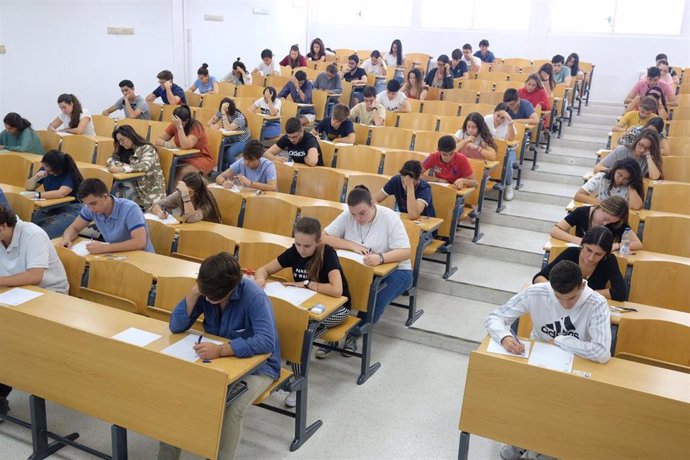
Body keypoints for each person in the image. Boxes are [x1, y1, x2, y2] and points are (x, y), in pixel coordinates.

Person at [157, 252, 280, 460]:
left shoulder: (254, 296)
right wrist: (194, 293)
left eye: (212, 298)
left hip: (258, 367)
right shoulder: (207, 288)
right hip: (216, 363)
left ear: (231, 289)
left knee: (232, 408)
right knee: (179, 395)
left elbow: (267, 341)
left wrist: (222, 350)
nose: (208, 300)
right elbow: (176, 326)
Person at [491, 260, 610, 460]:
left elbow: (601, 352)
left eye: (571, 298)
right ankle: (523, 441)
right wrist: (505, 337)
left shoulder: (596, 303)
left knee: (560, 407)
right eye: (559, 298)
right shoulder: (537, 292)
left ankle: (549, 448)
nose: (565, 304)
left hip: (577, 363)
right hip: (541, 358)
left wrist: (561, 341)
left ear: (582, 285)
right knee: (528, 398)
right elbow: (495, 317)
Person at [254, 216, 351, 405]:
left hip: (338, 309)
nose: (301, 250)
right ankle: (280, 368)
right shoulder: (294, 251)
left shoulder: (327, 253)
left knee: (300, 336)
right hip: (306, 305)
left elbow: (337, 290)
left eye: (307, 246)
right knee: (287, 327)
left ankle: (297, 386)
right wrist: (260, 280)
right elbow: (263, 269)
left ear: (318, 242)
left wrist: (306, 284)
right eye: (297, 244)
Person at [0, 201, 70, 417]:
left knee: (10, 338)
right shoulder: (3, 236)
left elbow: (34, 276)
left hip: (49, 295)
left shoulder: (33, 234)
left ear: (3, 226)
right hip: (15, 293)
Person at [323, 185, 412, 335]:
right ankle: (332, 327)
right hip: (362, 269)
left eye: (362, 213)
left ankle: (354, 335)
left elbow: (406, 252)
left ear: (372, 204)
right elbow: (323, 237)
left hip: (396, 271)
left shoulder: (389, 217)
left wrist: (381, 258)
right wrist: (351, 245)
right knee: (335, 285)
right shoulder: (349, 215)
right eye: (353, 214)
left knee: (373, 298)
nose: (358, 219)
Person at [62, 178, 154, 253]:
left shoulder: (130, 209)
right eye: (87, 205)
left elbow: (140, 242)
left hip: (140, 257)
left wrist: (105, 248)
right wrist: (67, 239)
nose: (90, 209)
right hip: (116, 256)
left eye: (93, 204)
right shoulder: (90, 207)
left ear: (105, 197)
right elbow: (74, 228)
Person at [535, 226, 625, 301]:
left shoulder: (609, 260)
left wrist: (582, 294)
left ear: (606, 254)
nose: (591, 258)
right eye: (588, 250)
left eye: (598, 254)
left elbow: (620, 293)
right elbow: (538, 278)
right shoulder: (571, 253)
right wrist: (558, 292)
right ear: (582, 245)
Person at [25, 150, 83, 238]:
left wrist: (37, 195)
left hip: (70, 209)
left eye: (48, 167)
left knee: (44, 233)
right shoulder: (45, 170)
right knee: (31, 228)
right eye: (45, 165)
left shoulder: (69, 174)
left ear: (59, 168)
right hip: (50, 207)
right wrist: (35, 177)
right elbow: (29, 187)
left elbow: (61, 193)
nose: (46, 169)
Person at [550, 196, 642, 251]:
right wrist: (578, 240)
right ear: (601, 207)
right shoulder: (581, 212)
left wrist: (617, 245)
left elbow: (637, 243)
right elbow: (555, 231)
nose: (606, 224)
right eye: (606, 218)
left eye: (610, 222)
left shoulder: (615, 222)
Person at [108, 125, 167, 209]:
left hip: (151, 190)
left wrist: (121, 169)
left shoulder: (147, 148)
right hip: (137, 188)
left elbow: (144, 166)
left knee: (125, 189)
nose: (121, 143)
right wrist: (123, 165)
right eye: (119, 141)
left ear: (130, 136)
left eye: (122, 140)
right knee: (123, 187)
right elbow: (110, 161)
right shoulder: (125, 149)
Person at [153, 105, 215, 177]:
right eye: (175, 122)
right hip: (183, 157)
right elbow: (157, 139)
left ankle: (176, 188)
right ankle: (169, 188)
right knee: (166, 167)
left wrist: (180, 127)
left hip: (201, 157)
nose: (176, 125)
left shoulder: (196, 127)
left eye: (181, 123)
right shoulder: (175, 124)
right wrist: (165, 144)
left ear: (187, 121)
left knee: (182, 172)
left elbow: (186, 146)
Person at [149, 171, 221, 223]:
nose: (185, 193)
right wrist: (159, 213)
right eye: (183, 190)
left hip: (207, 234)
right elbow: (156, 205)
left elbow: (191, 218)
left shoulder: (206, 201)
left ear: (197, 192)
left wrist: (186, 196)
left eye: (189, 192)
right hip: (190, 231)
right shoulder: (181, 193)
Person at [576, 158, 644, 210]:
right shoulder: (601, 177)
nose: (620, 180)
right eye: (619, 175)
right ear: (614, 170)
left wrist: (631, 187)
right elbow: (578, 195)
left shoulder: (630, 185)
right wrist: (602, 204)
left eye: (626, 178)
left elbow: (636, 206)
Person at [594, 128, 663, 180]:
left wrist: (648, 155)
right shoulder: (622, 150)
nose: (642, 150)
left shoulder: (650, 158)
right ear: (636, 141)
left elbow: (655, 177)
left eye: (647, 148)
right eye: (640, 145)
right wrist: (616, 173)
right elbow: (597, 168)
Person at [484, 103, 517, 199]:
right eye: (497, 116)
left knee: (508, 163)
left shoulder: (508, 123)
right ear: (494, 112)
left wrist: (509, 120)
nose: (499, 119)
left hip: (507, 150)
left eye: (502, 118)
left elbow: (511, 138)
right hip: (488, 148)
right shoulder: (486, 119)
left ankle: (509, 185)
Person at [207, 98, 251, 169]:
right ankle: (223, 170)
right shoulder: (220, 111)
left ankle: (240, 170)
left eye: (225, 109)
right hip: (229, 138)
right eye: (222, 108)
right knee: (217, 148)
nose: (223, 111)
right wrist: (212, 126)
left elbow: (228, 128)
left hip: (242, 140)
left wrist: (223, 113)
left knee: (228, 154)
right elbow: (209, 122)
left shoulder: (239, 117)